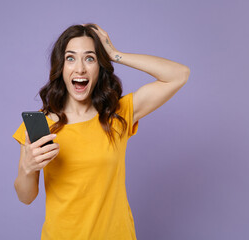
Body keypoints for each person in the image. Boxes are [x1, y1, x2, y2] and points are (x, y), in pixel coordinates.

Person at [13, 24, 190, 240]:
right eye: (71, 58)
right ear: (61, 67)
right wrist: (27, 168)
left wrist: (115, 54)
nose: (80, 69)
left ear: (100, 67)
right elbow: (26, 197)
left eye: (90, 58)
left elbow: (179, 74)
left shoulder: (118, 115)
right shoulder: (40, 124)